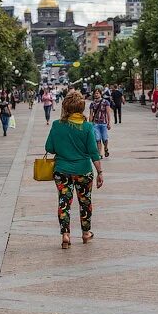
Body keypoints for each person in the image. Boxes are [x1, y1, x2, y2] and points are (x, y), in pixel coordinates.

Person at [44, 90, 103, 249]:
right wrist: (100, 172)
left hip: (62, 170)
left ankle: (65, 235)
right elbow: (93, 152)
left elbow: (49, 147)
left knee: (64, 202)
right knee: (85, 202)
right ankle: (85, 233)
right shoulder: (87, 127)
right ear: (81, 107)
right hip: (83, 170)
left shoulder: (57, 125)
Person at [88, 88, 111, 158]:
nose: (96, 94)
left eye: (97, 93)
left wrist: (109, 123)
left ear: (101, 94)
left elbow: (108, 113)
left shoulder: (105, 102)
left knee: (105, 138)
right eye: (95, 93)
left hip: (104, 123)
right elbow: (91, 114)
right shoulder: (92, 103)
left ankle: (106, 148)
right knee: (97, 139)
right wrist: (90, 124)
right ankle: (99, 153)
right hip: (96, 123)